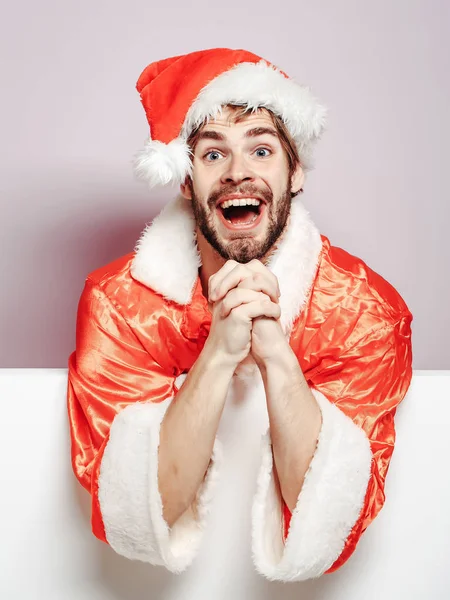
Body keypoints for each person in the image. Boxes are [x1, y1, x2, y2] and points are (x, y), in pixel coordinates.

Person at [67, 48, 413, 583]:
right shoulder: (121, 305)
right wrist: (221, 350)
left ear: (295, 171)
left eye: (261, 149)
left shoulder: (364, 312)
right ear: (186, 181)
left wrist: (275, 353)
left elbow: (329, 523)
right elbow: (135, 513)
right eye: (211, 155)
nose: (237, 174)